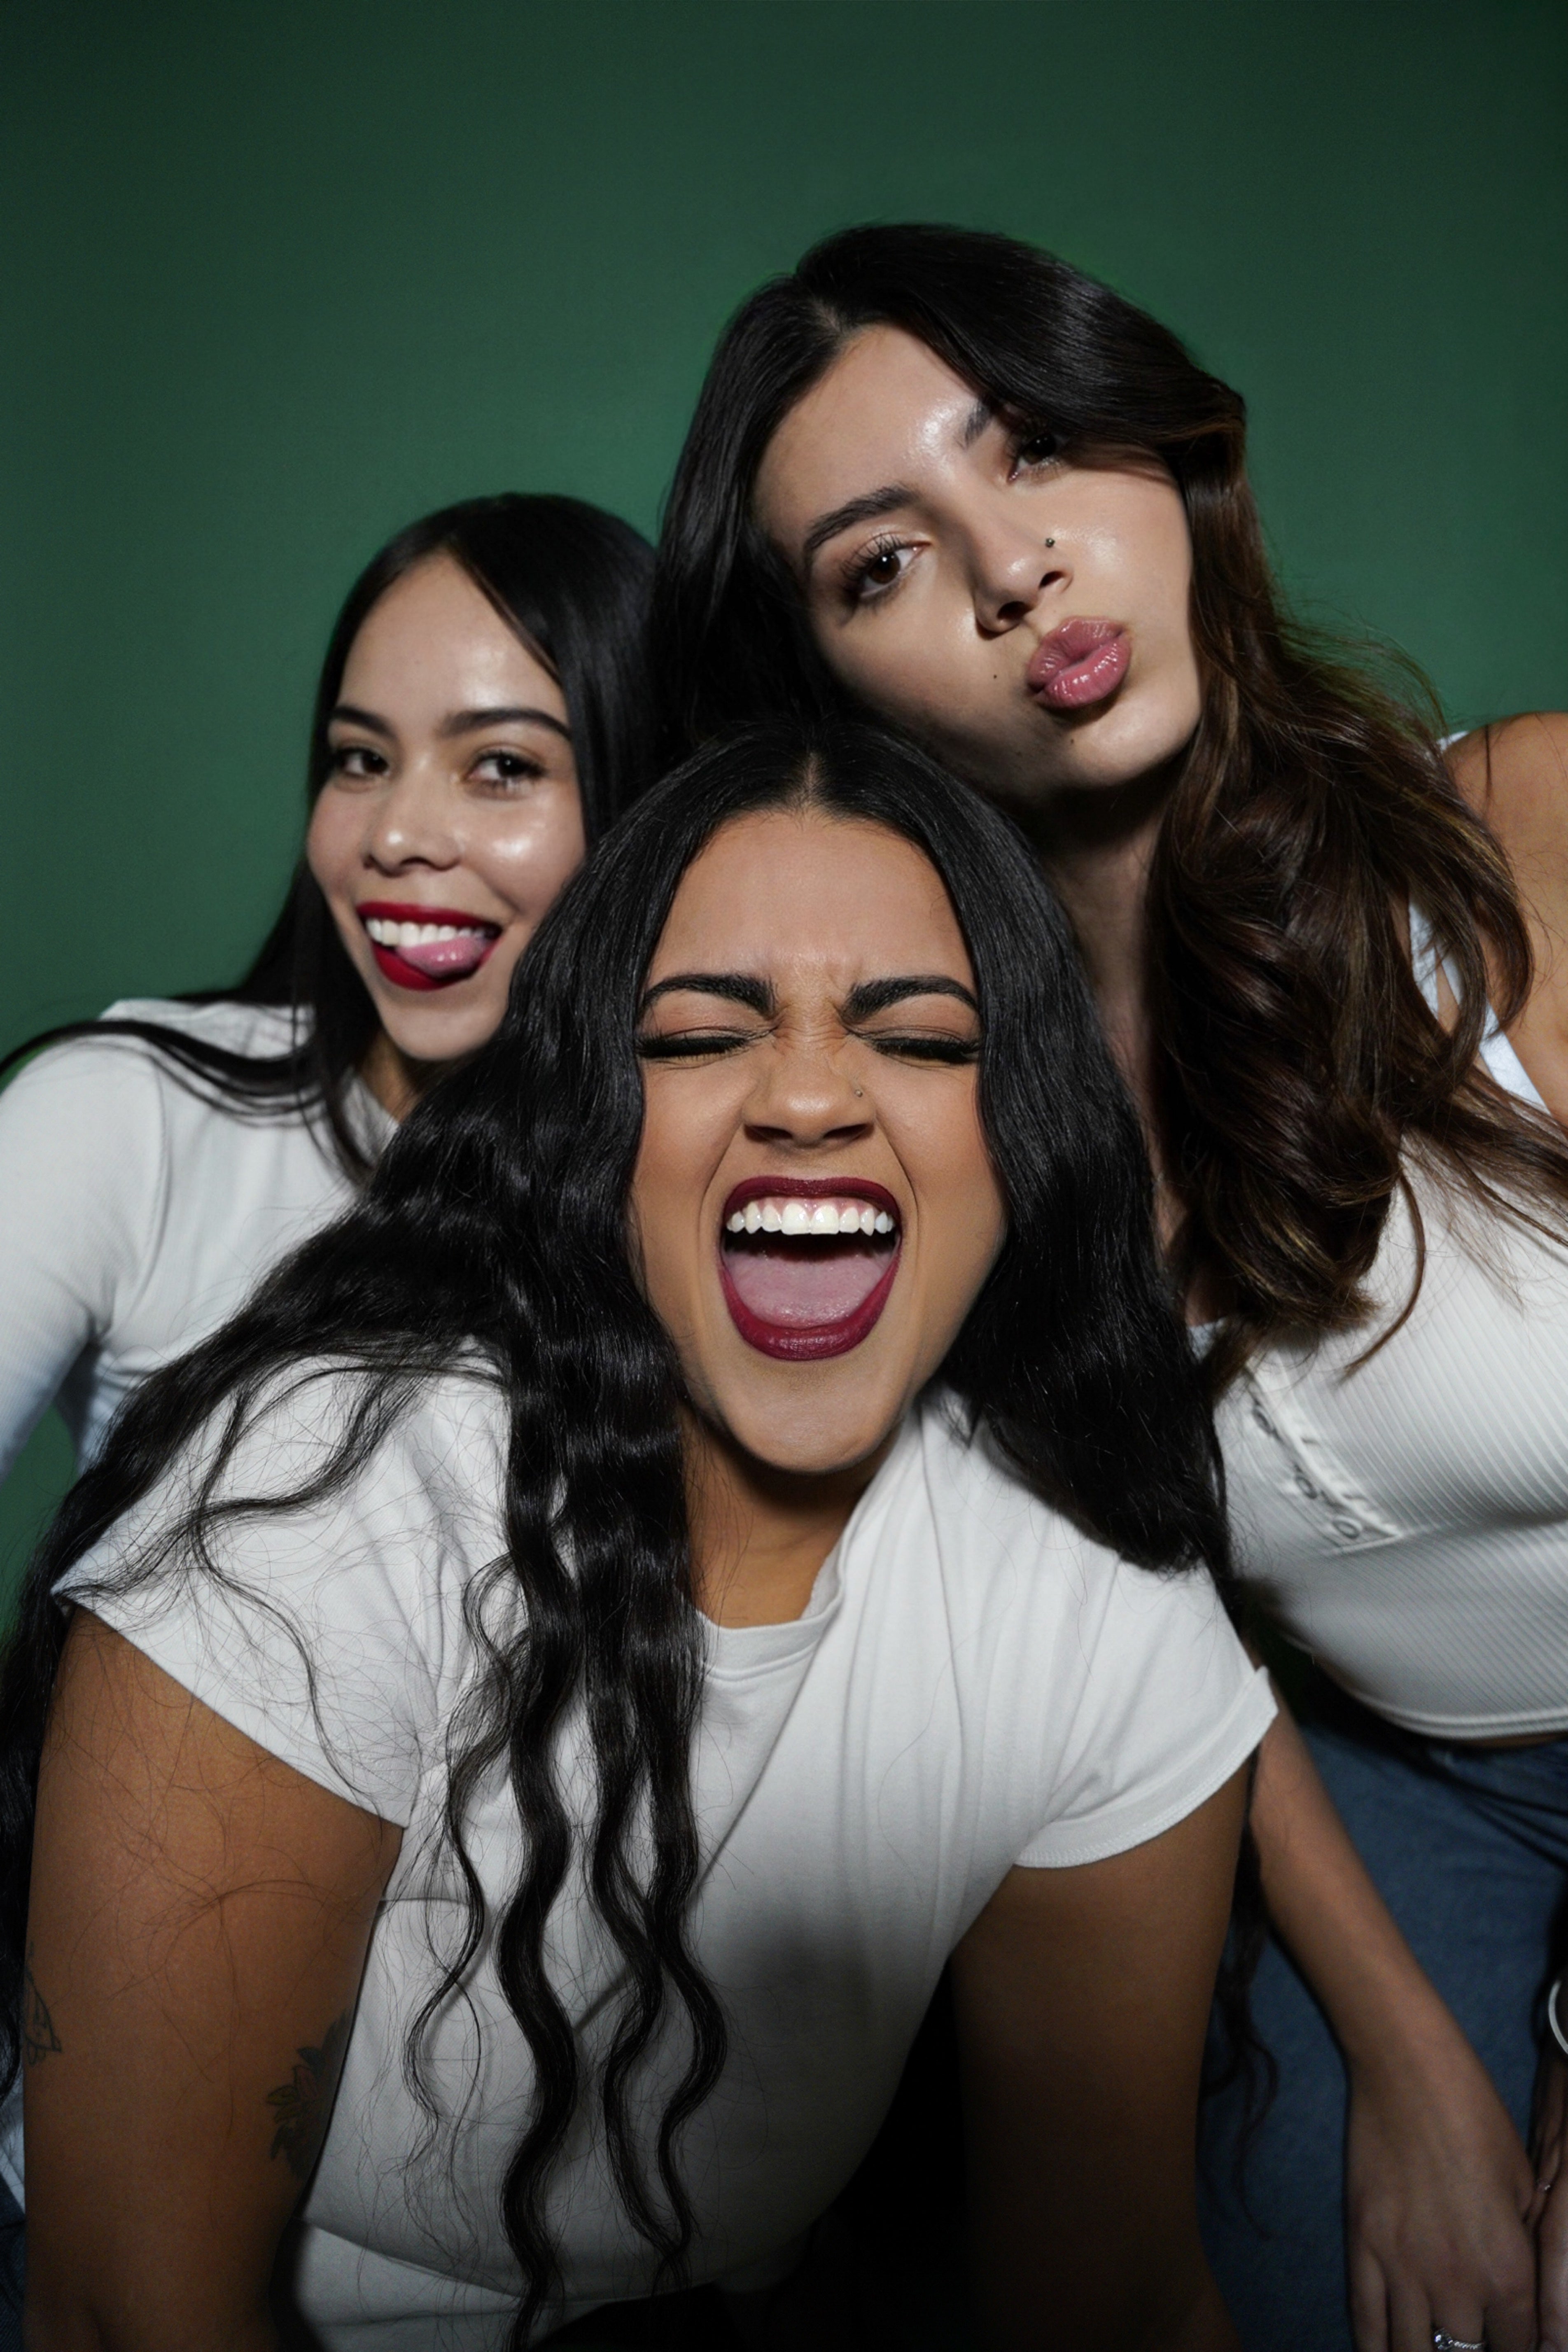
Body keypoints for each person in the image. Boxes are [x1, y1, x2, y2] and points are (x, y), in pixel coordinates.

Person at [4, 722, 1274, 2350]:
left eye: (914, 1039)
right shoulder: (339, 1490)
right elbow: (128, 2312)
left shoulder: (1094, 1617)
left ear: (1017, 1142)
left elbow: (1111, 2303)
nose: (810, 1095)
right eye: (697, 1037)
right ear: (591, 1132)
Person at [650, 222, 1568, 2352]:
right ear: (827, 688)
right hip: (1395, 1779)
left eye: (1044, 449)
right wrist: (1419, 2061)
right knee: (1287, 2265)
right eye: (885, 561)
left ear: (1166, 457)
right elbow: (1150, 1602)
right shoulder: (927, 1129)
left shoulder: (1522, 831)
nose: (1015, 569)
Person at [0, 490, 654, 1490]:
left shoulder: (708, 1187)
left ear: (645, 807)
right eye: (362, 759)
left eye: (502, 766)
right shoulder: (129, 1115)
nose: (393, 836)